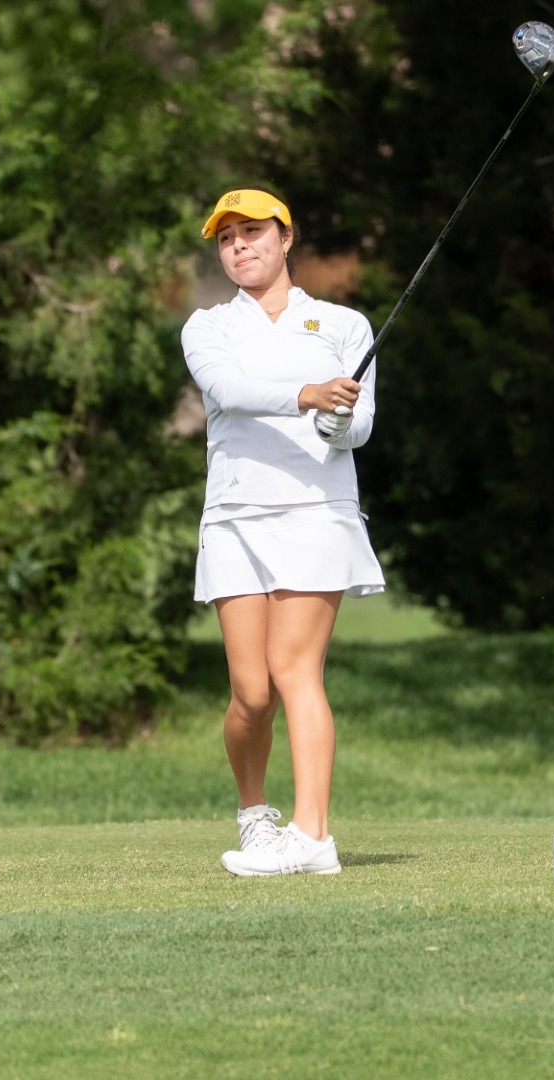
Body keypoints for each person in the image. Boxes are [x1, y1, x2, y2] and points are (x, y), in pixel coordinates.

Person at [182, 187, 384, 877]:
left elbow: (357, 427)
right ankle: (254, 813)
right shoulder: (207, 327)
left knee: (296, 670)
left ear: (286, 237)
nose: (239, 246)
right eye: (227, 238)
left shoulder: (344, 326)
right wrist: (309, 397)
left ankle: (313, 837)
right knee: (251, 694)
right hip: (236, 516)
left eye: (252, 233)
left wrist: (336, 421)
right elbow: (227, 392)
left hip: (315, 511)